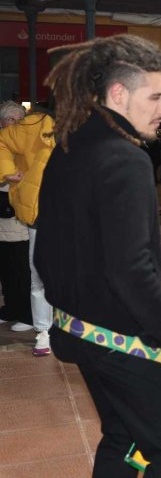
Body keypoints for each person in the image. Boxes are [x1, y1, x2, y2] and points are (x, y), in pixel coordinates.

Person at [34, 34, 161, 476]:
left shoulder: (69, 147)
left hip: (76, 331)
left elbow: (45, 252)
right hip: (118, 340)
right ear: (119, 94)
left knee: (123, 434)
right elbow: (131, 271)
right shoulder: (124, 160)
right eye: (156, 97)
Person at [0, 104, 56, 355]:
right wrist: (8, 173)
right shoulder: (34, 126)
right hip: (43, 212)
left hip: (70, 214)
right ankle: (44, 332)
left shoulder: (87, 126)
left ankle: (57, 330)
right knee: (40, 274)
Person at [0, 101, 32, 330]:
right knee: (6, 269)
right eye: (11, 119)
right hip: (2, 217)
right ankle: (11, 307)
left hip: (19, 217)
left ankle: (27, 314)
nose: (16, 124)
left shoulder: (27, 146)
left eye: (19, 119)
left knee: (22, 269)